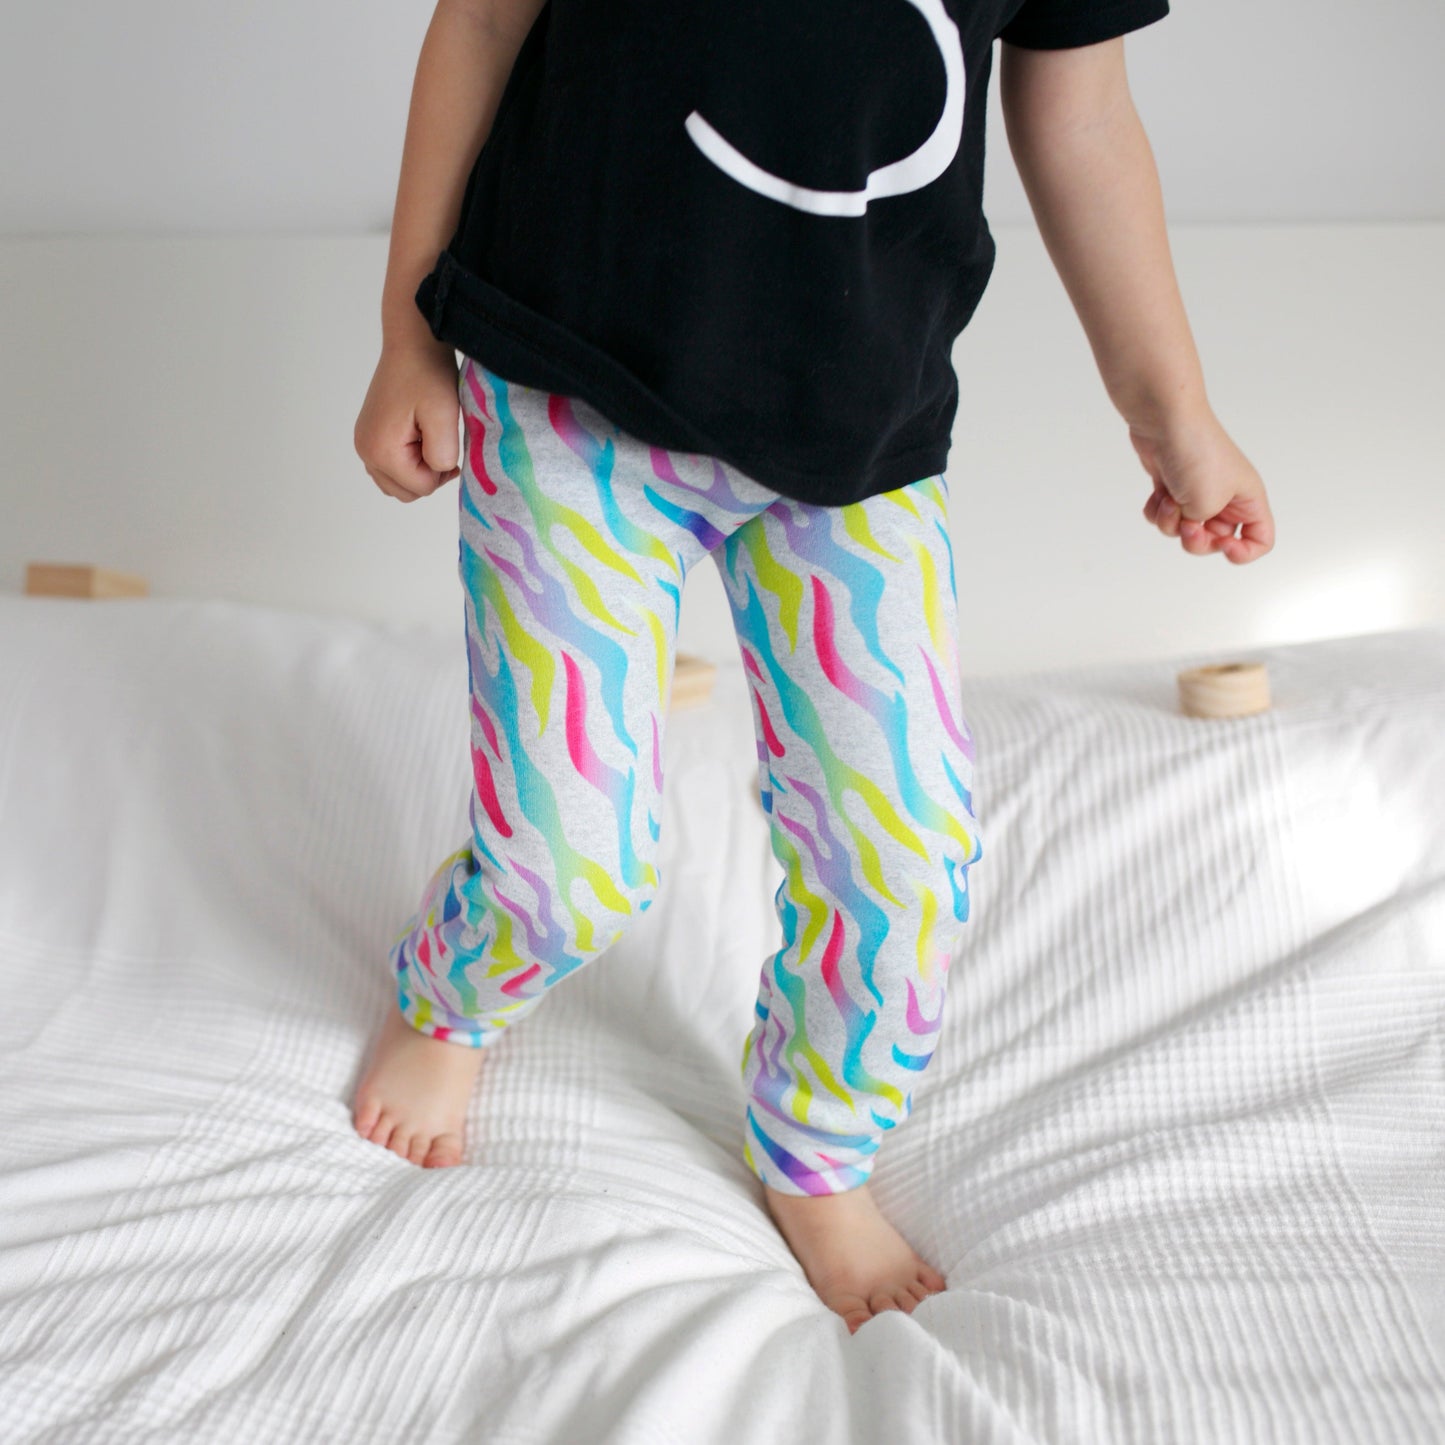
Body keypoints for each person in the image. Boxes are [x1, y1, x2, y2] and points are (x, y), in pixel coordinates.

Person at [350, 0, 1275, 1334]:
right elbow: (488, 20)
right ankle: (452, 997)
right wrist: (408, 333)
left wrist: (1171, 412)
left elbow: (1079, 115)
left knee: (904, 860)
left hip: (855, 439)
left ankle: (818, 1145)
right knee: (567, 868)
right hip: (565, 389)